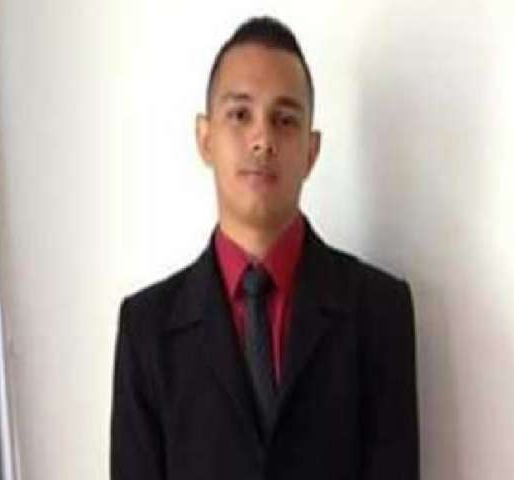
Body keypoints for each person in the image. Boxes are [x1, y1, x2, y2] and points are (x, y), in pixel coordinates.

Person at [110, 16, 418, 480]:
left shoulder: (378, 311)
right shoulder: (148, 329)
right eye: (240, 115)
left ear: (311, 151)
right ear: (205, 138)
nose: (263, 140)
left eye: (284, 120)